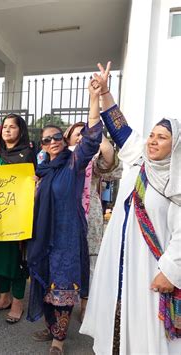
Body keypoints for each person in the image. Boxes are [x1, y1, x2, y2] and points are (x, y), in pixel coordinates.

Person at [80, 63, 181, 354]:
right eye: (152, 135)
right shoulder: (139, 157)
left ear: (175, 146)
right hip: (121, 261)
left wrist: (171, 272)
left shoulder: (176, 183)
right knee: (117, 322)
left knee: (147, 331)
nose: (152, 141)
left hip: (152, 268)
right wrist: (105, 92)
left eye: (162, 137)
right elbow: (118, 126)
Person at [27, 78, 103, 355]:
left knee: (63, 287)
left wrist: (94, 99)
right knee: (45, 281)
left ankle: (59, 338)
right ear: (43, 145)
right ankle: (51, 326)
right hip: (44, 236)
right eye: (46, 139)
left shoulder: (74, 162)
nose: (52, 142)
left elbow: (93, 139)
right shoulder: (41, 171)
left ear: (65, 139)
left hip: (67, 237)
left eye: (57, 136)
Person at [64, 121, 122, 321]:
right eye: (77, 134)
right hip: (64, 214)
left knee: (89, 258)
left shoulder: (92, 161)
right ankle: (62, 305)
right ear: (68, 138)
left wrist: (97, 135)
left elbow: (110, 161)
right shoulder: (60, 157)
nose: (81, 137)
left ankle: (86, 305)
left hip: (90, 214)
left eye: (86, 134)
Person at [0, 114, 35, 324]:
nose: (7, 130)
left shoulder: (28, 154)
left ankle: (18, 302)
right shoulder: (0, 153)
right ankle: (4, 297)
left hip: (18, 219)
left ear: (20, 131)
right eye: (5, 127)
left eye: (12, 127)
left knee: (17, 261)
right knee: (1, 258)